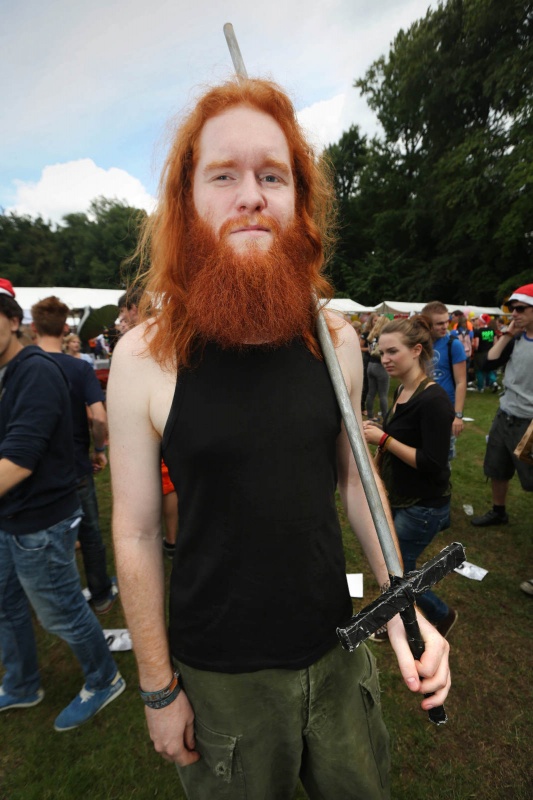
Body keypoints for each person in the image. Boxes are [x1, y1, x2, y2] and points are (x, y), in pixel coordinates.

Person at [108, 78, 450, 799]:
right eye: (222, 175)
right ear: (187, 202)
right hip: (220, 679)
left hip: (337, 648)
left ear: (298, 200)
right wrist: (158, 688)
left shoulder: (333, 341)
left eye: (272, 175)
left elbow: (356, 479)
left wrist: (398, 603)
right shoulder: (144, 358)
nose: (251, 195)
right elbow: (137, 531)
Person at [0, 280, 125, 730]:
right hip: (24, 506)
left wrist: (98, 449)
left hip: (44, 510)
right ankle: (21, 683)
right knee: (9, 603)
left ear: (22, 323)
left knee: (62, 608)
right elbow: (96, 419)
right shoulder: (39, 369)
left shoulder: (35, 371)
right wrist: (97, 449)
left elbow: (20, 457)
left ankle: (104, 677)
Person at [363, 316, 458, 639]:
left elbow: (432, 463)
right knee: (399, 566)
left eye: (392, 352)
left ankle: (438, 615)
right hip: (403, 497)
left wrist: (383, 440)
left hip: (424, 505)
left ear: (417, 350)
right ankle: (402, 616)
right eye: (381, 352)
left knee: (398, 572)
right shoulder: (404, 389)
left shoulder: (434, 401)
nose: (384, 359)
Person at [32, 296, 118, 614]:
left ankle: (55, 603)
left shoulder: (22, 366)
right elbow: (98, 416)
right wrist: (99, 449)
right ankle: (100, 595)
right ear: (66, 326)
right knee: (90, 531)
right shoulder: (80, 367)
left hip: (33, 467)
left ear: (33, 326)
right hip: (75, 465)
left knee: (46, 535)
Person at [471, 283, 533, 527]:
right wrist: (507, 334)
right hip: (505, 413)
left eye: (520, 309)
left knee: (530, 477)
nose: (514, 314)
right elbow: (486, 364)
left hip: (529, 421)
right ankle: (499, 511)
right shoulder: (515, 339)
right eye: (512, 309)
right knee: (496, 467)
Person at [421, 301, 467, 460]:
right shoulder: (420, 344)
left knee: (442, 458)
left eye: (446, 321)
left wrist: (458, 415)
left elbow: (461, 382)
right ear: (428, 325)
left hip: (445, 409)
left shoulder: (453, 344)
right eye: (439, 323)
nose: (445, 326)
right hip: (422, 406)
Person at [365, 315, 390, 420]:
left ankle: (370, 416)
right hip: (380, 366)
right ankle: (386, 417)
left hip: (370, 365)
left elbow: (370, 350)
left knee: (371, 393)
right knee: (383, 394)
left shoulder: (372, 335)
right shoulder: (384, 337)